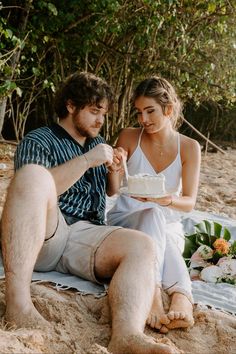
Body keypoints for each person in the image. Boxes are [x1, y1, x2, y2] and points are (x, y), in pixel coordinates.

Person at [0, 72, 176, 354]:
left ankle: (126, 336)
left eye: (103, 114)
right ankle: (18, 306)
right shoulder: (39, 139)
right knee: (33, 175)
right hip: (47, 231)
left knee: (143, 245)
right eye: (94, 112)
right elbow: (30, 193)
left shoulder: (97, 143)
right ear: (71, 106)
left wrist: (115, 172)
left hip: (88, 235)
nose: (100, 121)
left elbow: (109, 194)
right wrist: (85, 161)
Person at [107, 76, 201, 333]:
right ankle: (167, 293)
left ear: (168, 109)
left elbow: (189, 203)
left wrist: (166, 199)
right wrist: (115, 169)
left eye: (150, 111)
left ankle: (170, 295)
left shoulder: (190, 148)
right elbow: (112, 190)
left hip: (168, 227)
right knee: (152, 215)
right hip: (126, 220)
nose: (143, 120)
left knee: (158, 217)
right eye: (139, 112)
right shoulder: (128, 136)